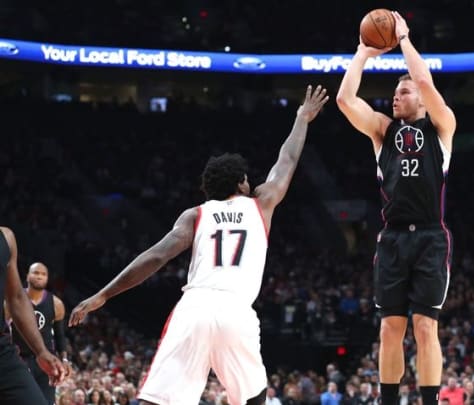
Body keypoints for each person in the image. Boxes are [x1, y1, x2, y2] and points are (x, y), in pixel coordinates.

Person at [68, 85, 329, 405]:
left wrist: (103, 294)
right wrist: (302, 118)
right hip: (236, 309)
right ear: (240, 183)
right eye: (246, 177)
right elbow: (286, 159)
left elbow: (154, 257)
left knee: (157, 400)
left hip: (195, 306)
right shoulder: (262, 204)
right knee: (253, 398)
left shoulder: (195, 215)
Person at [336, 10, 456, 405]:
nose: (396, 96)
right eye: (395, 93)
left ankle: (429, 401)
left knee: (425, 327)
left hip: (429, 237)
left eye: (403, 92)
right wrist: (361, 53)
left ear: (420, 99)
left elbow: (422, 78)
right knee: (390, 328)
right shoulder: (382, 130)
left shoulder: (441, 127)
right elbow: (344, 99)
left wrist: (402, 39)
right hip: (391, 239)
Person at [0, 227, 69, 403]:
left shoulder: (5, 238)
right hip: (20, 352)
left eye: (43, 274)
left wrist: (41, 350)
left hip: (5, 354)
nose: (39, 276)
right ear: (28, 276)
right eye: (35, 273)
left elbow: (16, 297)